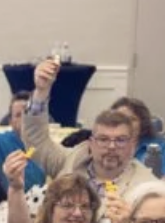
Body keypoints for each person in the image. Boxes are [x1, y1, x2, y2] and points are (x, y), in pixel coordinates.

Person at [25, 59, 156, 197]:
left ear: (133, 146)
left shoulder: (146, 186)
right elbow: (36, 141)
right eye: (103, 139)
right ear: (91, 143)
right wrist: (41, 92)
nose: (111, 146)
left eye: (120, 140)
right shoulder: (70, 160)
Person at [0, 91, 46, 190]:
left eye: (28, 113)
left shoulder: (46, 145)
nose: (24, 118)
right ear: (11, 122)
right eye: (18, 115)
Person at [110, 96, 165, 178]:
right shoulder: (105, 144)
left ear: (142, 123)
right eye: (121, 118)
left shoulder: (157, 144)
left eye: (132, 119)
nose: (126, 123)